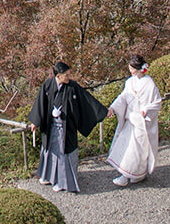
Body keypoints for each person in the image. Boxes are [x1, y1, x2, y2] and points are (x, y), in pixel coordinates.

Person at [28, 61, 110, 193]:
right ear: (58, 76)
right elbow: (40, 104)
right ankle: (48, 176)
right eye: (66, 75)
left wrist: (103, 111)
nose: (68, 77)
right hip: (50, 126)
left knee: (62, 153)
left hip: (66, 127)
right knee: (49, 151)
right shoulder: (48, 85)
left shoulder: (72, 87)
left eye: (68, 74)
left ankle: (62, 181)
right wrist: (35, 122)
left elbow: (87, 100)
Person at [105, 54, 163, 186]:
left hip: (141, 121)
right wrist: (113, 108)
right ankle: (131, 174)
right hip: (130, 118)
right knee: (126, 146)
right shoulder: (129, 82)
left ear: (138, 68)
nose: (130, 71)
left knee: (136, 150)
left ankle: (129, 175)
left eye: (132, 69)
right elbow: (123, 97)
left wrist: (146, 110)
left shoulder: (149, 83)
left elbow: (157, 102)